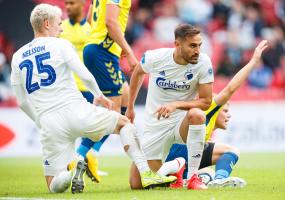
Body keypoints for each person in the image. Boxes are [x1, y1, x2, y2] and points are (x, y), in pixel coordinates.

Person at [10, 4, 176, 194]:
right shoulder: (61, 44)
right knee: (123, 123)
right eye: (58, 24)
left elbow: (22, 102)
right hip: (75, 110)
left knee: (53, 184)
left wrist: (39, 121)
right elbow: (85, 75)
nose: (62, 28)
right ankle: (146, 174)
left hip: (48, 122)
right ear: (47, 24)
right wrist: (99, 95)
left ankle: (71, 172)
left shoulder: (16, 57)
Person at [153, 40, 269, 188]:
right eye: (225, 111)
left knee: (210, 171)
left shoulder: (206, 124)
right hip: (172, 157)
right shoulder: (206, 109)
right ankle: (181, 175)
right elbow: (230, 89)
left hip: (185, 158)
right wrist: (253, 61)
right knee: (231, 151)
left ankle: (215, 180)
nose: (229, 115)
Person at [126, 24, 214, 190]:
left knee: (197, 115)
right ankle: (177, 167)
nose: (197, 51)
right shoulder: (155, 57)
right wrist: (130, 107)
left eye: (199, 45)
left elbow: (206, 101)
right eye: (192, 46)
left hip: (181, 121)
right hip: (155, 124)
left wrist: (176, 105)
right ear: (177, 44)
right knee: (136, 184)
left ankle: (194, 177)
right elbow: (138, 72)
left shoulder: (203, 62)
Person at [75, 0, 137, 169]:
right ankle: (81, 156)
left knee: (126, 97)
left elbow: (90, 18)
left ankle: (92, 152)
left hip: (99, 49)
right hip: (103, 51)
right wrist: (128, 51)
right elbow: (110, 22)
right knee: (112, 112)